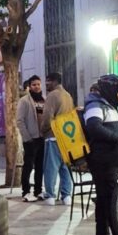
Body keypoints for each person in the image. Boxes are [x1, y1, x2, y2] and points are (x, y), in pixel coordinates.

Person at [83, 75, 118, 235]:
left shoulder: (109, 106)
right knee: (110, 199)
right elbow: (94, 127)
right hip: (103, 160)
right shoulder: (95, 105)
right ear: (110, 91)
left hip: (110, 160)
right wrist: (116, 138)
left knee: (104, 199)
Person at [39, 72, 74, 206]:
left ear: (54, 81)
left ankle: (50, 195)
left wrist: (42, 130)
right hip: (66, 137)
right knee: (65, 167)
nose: (46, 84)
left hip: (52, 136)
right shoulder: (68, 96)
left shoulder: (52, 95)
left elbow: (47, 116)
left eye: (47, 81)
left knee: (50, 167)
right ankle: (66, 196)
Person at [15, 75, 46, 202]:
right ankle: (26, 191)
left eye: (38, 84)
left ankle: (38, 191)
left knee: (40, 166)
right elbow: (19, 120)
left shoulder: (45, 100)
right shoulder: (24, 101)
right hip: (30, 139)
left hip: (42, 138)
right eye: (34, 85)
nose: (37, 87)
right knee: (28, 166)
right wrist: (27, 137)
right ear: (29, 86)